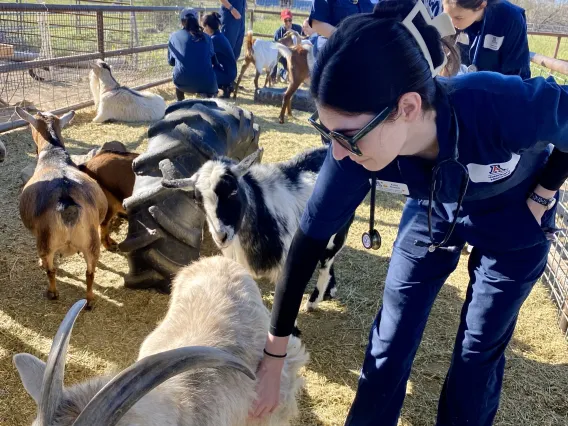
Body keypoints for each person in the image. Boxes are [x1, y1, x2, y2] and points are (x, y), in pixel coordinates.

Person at [250, 1, 568, 425]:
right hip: (433, 208)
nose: (337, 152)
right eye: (326, 132)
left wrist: (544, 193)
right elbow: (308, 241)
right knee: (391, 337)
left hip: (514, 210)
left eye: (345, 136)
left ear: (408, 108)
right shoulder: (353, 151)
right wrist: (274, 356)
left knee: (478, 349)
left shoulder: (496, 102)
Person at [443, 0, 531, 79]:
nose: (451, 23)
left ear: (481, 5)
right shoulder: (445, 17)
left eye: (458, 18)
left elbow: (517, 75)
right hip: (459, 87)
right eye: (447, 16)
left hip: (498, 90)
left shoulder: (511, 19)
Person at [168, 8, 218, 100]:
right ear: (197, 20)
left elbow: (171, 62)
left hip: (182, 83)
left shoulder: (174, 36)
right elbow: (214, 61)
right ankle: (209, 98)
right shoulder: (207, 37)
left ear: (182, 22)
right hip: (207, 84)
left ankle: (180, 102)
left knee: (178, 71)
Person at [203, 12, 237, 98]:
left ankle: (212, 90)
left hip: (226, 73)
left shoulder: (214, 39)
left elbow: (204, 56)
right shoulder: (219, 36)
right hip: (229, 72)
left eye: (204, 27)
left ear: (207, 26)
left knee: (203, 73)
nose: (203, 30)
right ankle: (225, 86)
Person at [271, 9, 305, 83]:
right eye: (286, 21)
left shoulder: (298, 28)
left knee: (296, 76)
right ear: (282, 21)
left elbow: (305, 40)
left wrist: (295, 33)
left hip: (296, 56)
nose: (288, 23)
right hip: (284, 56)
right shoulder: (278, 33)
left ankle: (284, 72)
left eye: (290, 20)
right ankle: (278, 73)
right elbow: (275, 52)